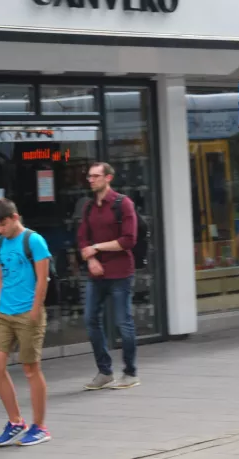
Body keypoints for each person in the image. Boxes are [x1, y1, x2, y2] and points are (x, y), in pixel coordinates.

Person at [0, 198, 52, 447]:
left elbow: (42, 278)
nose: (0, 230)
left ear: (15, 217)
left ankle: (40, 427)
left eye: (3, 224)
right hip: (4, 313)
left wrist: (35, 311)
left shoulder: (33, 240)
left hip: (28, 312)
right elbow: (1, 276)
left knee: (30, 369)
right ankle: (16, 422)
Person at [78, 162, 140, 390]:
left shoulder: (123, 204)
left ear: (108, 178)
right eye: (89, 176)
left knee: (123, 322)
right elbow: (82, 238)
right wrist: (92, 258)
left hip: (120, 273)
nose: (91, 180)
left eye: (96, 176)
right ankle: (104, 372)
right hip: (97, 274)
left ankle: (130, 373)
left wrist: (97, 248)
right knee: (90, 319)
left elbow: (128, 240)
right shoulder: (88, 207)